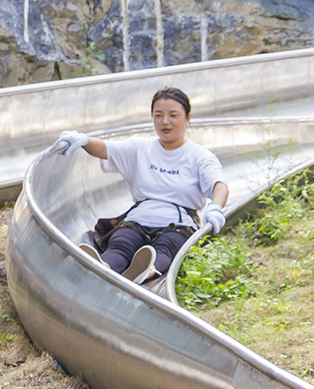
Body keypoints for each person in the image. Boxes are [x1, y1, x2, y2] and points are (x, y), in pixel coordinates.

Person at [49, 86, 228, 284]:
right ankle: (103, 266)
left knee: (167, 246)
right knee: (122, 242)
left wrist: (215, 207)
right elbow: (105, 149)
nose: (165, 122)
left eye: (173, 115)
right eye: (158, 115)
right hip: (139, 218)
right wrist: (83, 140)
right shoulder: (140, 148)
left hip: (178, 224)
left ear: (187, 118)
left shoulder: (200, 156)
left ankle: (147, 271)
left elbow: (219, 185)